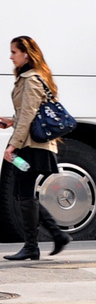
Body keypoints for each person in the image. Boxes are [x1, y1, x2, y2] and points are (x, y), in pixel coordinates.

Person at [1, 36, 69, 260]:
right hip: (31, 144)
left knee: (24, 194)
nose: (10, 56)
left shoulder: (30, 79)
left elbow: (29, 115)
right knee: (24, 194)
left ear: (26, 54)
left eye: (14, 52)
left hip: (32, 146)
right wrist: (12, 120)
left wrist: (12, 146)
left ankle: (34, 245)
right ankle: (55, 236)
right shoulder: (31, 78)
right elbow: (28, 113)